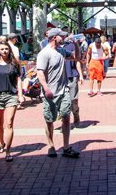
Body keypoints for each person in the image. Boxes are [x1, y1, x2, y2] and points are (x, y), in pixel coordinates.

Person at [36, 28, 80, 158]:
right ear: (54, 37)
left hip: (63, 91)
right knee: (49, 120)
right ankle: (51, 146)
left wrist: (76, 44)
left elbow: (76, 57)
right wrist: (46, 88)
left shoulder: (61, 51)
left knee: (66, 117)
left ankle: (66, 147)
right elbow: (40, 73)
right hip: (50, 93)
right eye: (62, 36)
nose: (64, 38)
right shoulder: (44, 53)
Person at [0, 41, 24, 162]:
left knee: (9, 123)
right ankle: (1, 143)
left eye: (6, 49)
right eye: (2, 49)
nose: (5, 51)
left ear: (9, 50)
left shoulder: (14, 63)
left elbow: (18, 79)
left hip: (10, 95)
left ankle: (8, 151)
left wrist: (20, 95)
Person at [61, 33, 83, 128]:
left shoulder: (71, 46)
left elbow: (77, 60)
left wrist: (81, 75)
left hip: (72, 75)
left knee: (73, 99)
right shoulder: (55, 48)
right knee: (63, 101)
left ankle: (76, 114)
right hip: (61, 78)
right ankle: (65, 122)